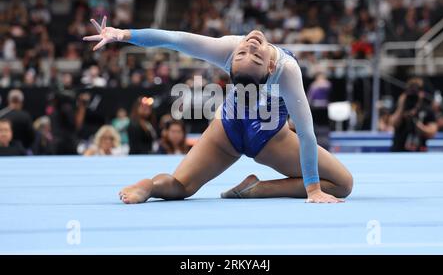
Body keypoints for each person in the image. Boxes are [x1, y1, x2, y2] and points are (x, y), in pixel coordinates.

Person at [84, 16, 353, 204]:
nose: (250, 46)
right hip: (262, 135)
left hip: (237, 130)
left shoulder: (254, 58)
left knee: (181, 186)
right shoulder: (272, 64)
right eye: (247, 54)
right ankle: (153, 187)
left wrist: (122, 34)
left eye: (253, 54)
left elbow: (174, 39)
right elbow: (306, 132)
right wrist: (313, 190)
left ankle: (157, 186)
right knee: (342, 183)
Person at [390, 78, 438, 152]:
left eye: (416, 91)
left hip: (419, 152)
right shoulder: (400, 107)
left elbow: (432, 132)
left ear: (422, 93)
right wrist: (401, 106)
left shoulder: (427, 109)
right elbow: (393, 123)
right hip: (398, 151)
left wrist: (419, 126)